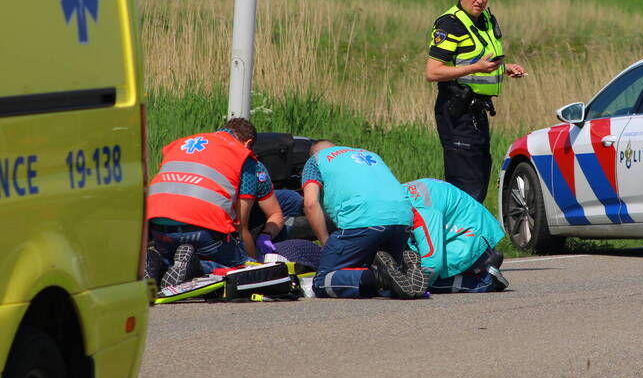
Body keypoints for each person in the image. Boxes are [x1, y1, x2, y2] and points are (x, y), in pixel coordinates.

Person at [146, 117, 285, 288]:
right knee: (240, 267)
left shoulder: (183, 144)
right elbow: (241, 227)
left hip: (157, 228)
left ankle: (158, 262)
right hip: (201, 230)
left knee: (174, 257)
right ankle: (197, 266)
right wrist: (254, 261)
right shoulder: (243, 157)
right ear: (248, 143)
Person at [426, 0, 526, 203]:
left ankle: (469, 235)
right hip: (456, 110)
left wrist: (504, 68)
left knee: (480, 176)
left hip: (477, 111)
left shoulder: (486, 20)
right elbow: (433, 72)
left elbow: (477, 58)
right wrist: (476, 68)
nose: (479, 0)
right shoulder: (450, 25)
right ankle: (458, 236)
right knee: (466, 184)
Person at [301, 141, 427, 299]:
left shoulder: (315, 161)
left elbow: (311, 204)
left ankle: (378, 277)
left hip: (363, 220)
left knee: (322, 282)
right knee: (384, 272)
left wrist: (325, 242)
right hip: (402, 219)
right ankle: (399, 272)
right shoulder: (369, 154)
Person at [404, 178, 508, 293]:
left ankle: (486, 280)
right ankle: (480, 265)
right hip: (472, 229)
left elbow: (432, 265)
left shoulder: (422, 210)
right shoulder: (402, 194)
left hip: (472, 239)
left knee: (421, 283)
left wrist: (402, 289)